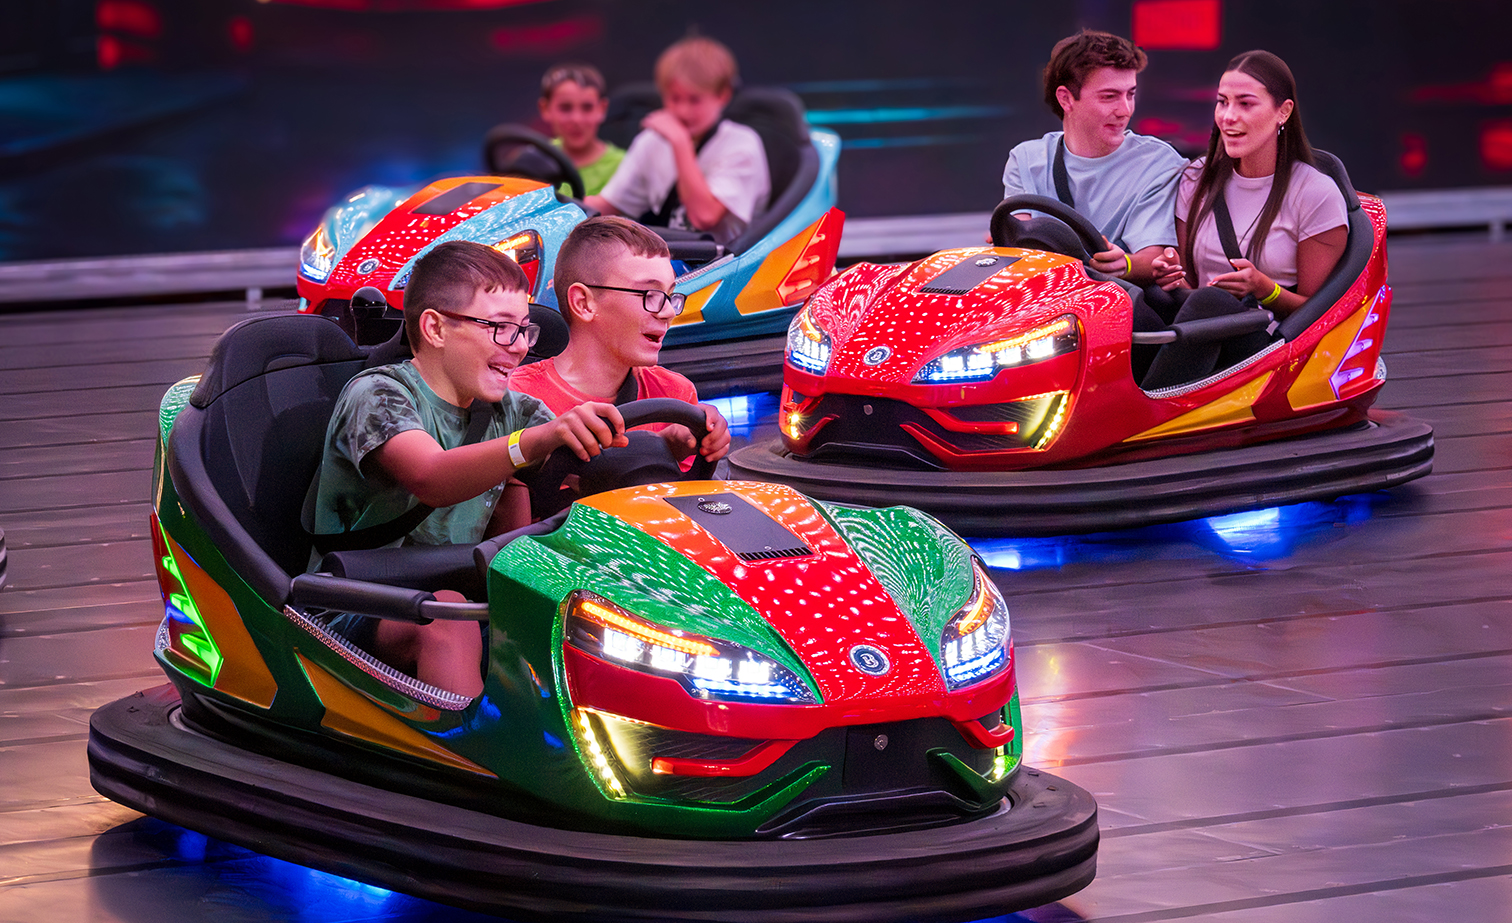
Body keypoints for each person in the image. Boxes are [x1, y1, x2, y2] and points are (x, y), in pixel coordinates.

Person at [308, 240, 629, 698]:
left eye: (524, 330)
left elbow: (526, 525)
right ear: (435, 327)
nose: (518, 348)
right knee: (447, 616)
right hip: (347, 604)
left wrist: (664, 444)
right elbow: (432, 477)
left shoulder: (513, 411)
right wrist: (536, 441)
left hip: (461, 593)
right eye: (499, 328)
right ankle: (466, 765)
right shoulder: (378, 394)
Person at [1142, 50, 1348, 389]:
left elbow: (1320, 315)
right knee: (1130, 301)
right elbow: (1190, 285)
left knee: (1212, 303)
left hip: (1271, 351)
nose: (1228, 116)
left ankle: (1145, 413)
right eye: (1222, 102)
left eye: (1245, 104)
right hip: (1200, 334)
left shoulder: (1315, 193)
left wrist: (1265, 290)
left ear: (1283, 112)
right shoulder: (1197, 178)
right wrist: (1171, 276)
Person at [509, 216, 730, 467]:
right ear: (584, 303)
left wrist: (701, 438)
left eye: (669, 296)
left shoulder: (675, 395)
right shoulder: (516, 399)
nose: (668, 312)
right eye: (650, 294)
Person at [1001, 30, 1187, 286]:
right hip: (1045, 303)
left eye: (1130, 94)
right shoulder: (1026, 159)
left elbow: (1154, 256)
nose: (1125, 110)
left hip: (1118, 305)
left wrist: (1126, 265)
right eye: (1109, 96)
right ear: (1066, 99)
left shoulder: (1159, 162)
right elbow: (1020, 250)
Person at [585, 36, 769, 247]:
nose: (682, 110)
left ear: (722, 95)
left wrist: (680, 142)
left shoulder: (742, 144)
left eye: (694, 99)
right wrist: (560, 204)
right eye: (674, 98)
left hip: (724, 264)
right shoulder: (651, 141)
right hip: (663, 256)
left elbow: (704, 217)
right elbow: (608, 205)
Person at [538, 62, 624, 197]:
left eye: (587, 107)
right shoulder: (535, 159)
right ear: (545, 109)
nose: (577, 120)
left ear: (602, 109)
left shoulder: (625, 167)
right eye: (565, 108)